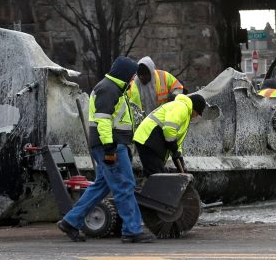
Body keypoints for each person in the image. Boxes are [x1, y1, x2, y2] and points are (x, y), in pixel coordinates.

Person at [57, 56, 155, 244]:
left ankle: (71, 221)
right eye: (133, 75)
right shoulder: (110, 89)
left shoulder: (112, 88)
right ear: (125, 74)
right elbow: (103, 121)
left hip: (109, 145)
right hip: (111, 145)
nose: (134, 78)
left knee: (101, 186)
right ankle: (132, 230)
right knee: (125, 185)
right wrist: (110, 149)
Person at [133, 93, 206, 177]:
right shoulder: (182, 107)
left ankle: (146, 188)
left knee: (155, 174)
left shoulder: (184, 112)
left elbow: (175, 140)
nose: (195, 116)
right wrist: (173, 148)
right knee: (158, 176)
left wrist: (178, 157)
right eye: (197, 113)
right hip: (148, 139)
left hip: (150, 140)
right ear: (194, 108)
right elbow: (169, 128)